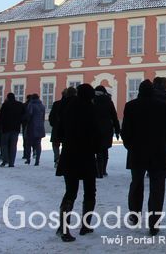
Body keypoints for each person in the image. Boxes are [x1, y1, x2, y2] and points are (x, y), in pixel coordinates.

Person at [121, 79, 166, 236]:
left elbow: (126, 132)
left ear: (139, 91)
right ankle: (154, 223)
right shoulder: (163, 106)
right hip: (158, 152)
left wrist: (130, 147)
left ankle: (135, 215)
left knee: (136, 184)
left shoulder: (130, 106)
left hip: (137, 152)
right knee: (157, 188)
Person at [55, 83, 100, 242]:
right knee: (90, 191)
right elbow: (97, 134)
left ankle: (63, 227)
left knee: (70, 192)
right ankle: (85, 225)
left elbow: (59, 131)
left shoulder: (68, 108)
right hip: (86, 155)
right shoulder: (91, 110)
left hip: (69, 154)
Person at [94, 85, 121, 178]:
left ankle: (97, 170)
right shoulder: (108, 101)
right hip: (106, 128)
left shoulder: (92, 100)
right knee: (104, 149)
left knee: (96, 149)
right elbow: (114, 116)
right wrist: (117, 130)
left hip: (94, 128)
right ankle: (103, 170)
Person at [0, 93, 25, 167]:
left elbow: (1, 116)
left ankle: (5, 159)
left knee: (4, 145)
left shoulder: (5, 105)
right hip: (16, 128)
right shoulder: (19, 105)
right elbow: (24, 115)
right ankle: (11, 162)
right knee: (13, 146)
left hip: (6, 128)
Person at [22, 94, 46, 166]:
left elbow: (29, 115)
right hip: (40, 127)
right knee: (38, 144)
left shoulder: (31, 105)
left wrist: (25, 120)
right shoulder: (42, 106)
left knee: (28, 144)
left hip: (31, 127)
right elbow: (43, 117)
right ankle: (37, 160)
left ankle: (28, 159)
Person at [49, 89, 70, 166]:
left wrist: (54, 124)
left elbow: (51, 117)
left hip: (57, 127)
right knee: (66, 145)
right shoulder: (72, 104)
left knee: (55, 144)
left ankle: (57, 159)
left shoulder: (56, 104)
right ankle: (64, 160)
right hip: (67, 129)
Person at [21, 94, 32, 163]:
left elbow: (22, 115)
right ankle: (34, 152)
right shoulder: (37, 105)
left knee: (25, 140)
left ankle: (26, 154)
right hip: (33, 125)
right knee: (35, 140)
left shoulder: (24, 105)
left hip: (25, 124)